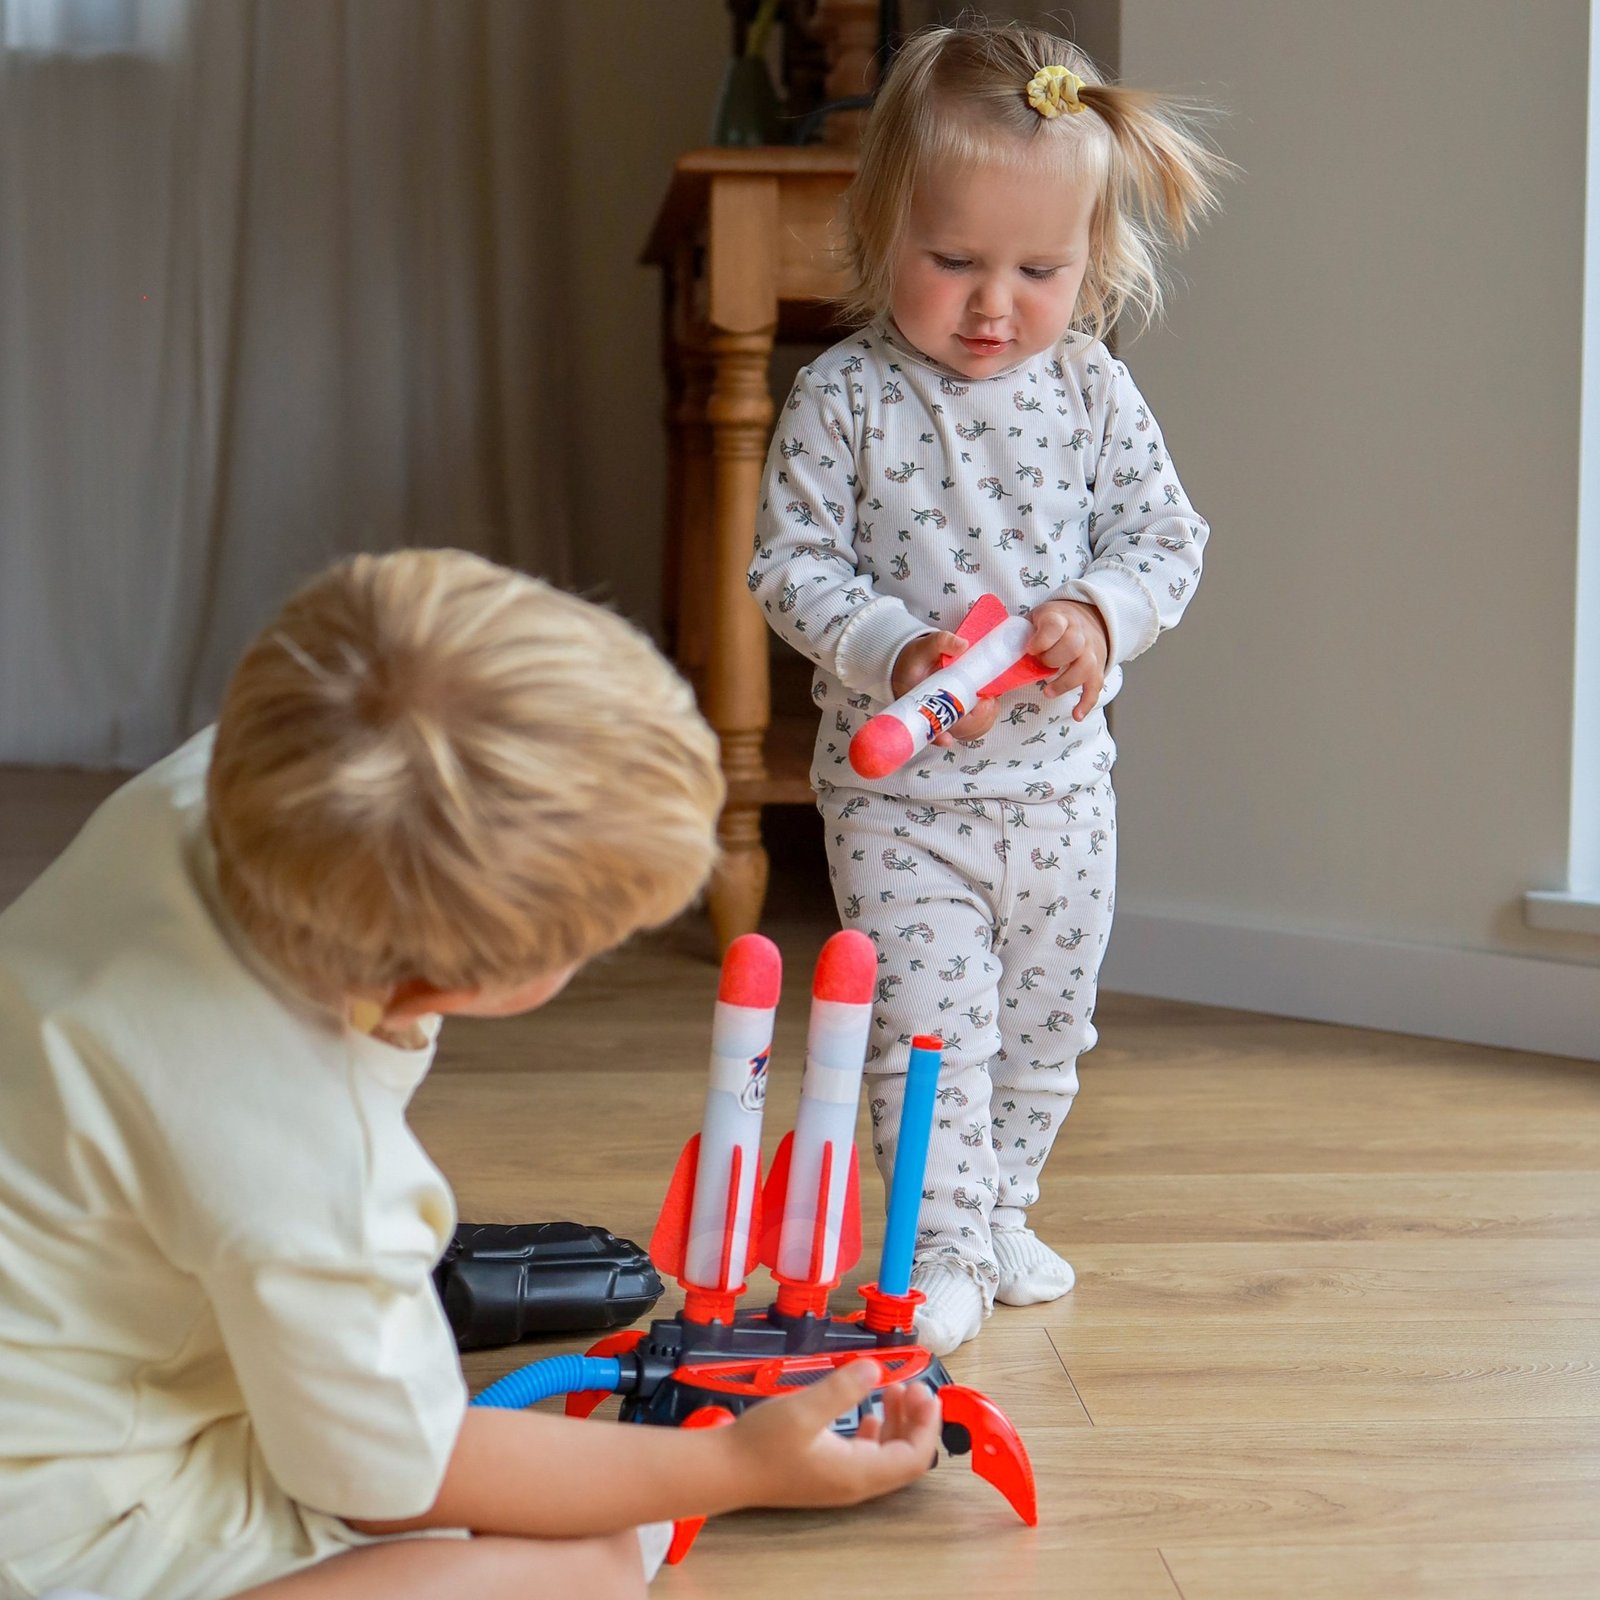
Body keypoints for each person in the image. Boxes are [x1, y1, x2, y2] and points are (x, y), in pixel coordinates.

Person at [0, 549, 940, 1600]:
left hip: (80, 1343)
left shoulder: (237, 779)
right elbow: (389, 1487)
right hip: (53, 1522)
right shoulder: (313, 1162)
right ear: (452, 987)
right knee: (593, 1563)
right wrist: (735, 1465)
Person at [749, 21, 1228, 1355]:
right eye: (953, 260)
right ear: (880, 228)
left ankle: (1003, 1207)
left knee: (1044, 1032)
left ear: (1092, 262)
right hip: (902, 805)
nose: (990, 304)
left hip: (1061, 797)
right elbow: (789, 565)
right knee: (927, 1034)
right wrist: (889, 645)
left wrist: (1099, 611)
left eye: (1039, 269)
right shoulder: (845, 398)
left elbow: (1165, 539)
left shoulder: (1091, 390)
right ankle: (936, 1244)